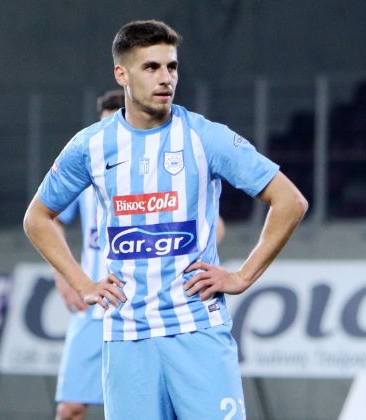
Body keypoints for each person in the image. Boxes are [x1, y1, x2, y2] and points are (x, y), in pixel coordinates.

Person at [24, 19, 308, 420]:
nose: (165, 78)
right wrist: (82, 282)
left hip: (197, 332)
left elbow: (289, 201)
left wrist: (242, 276)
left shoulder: (205, 137)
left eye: (171, 67)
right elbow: (37, 217)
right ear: (121, 74)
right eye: (151, 67)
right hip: (127, 337)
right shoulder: (91, 146)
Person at [52, 90, 125, 420]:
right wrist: (65, 275)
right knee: (70, 408)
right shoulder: (84, 167)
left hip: (144, 307)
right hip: (94, 305)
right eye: (101, 126)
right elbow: (49, 218)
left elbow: (214, 225)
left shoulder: (156, 168)